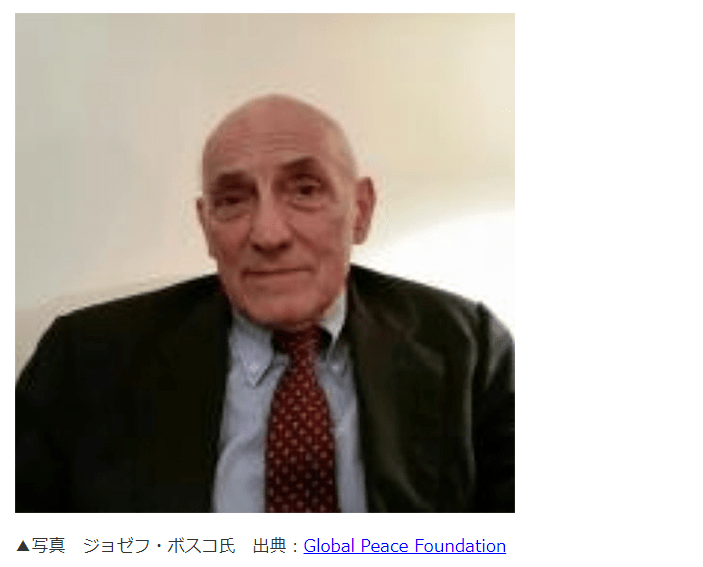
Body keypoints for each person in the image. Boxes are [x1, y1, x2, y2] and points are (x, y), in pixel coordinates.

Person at [16, 94, 514, 513]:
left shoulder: (468, 349)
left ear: (360, 211)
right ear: (205, 224)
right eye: (233, 200)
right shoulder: (84, 360)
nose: (268, 234)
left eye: (305, 190)